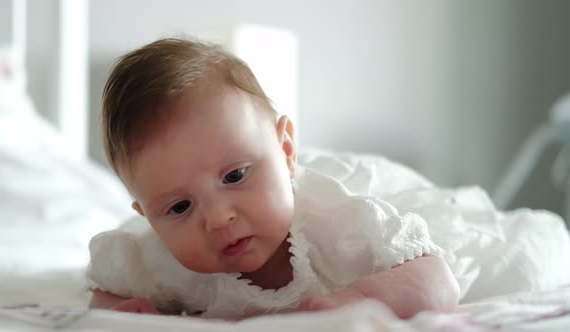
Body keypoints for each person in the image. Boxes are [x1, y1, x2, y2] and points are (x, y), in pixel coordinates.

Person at [86, 38, 460, 320]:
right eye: (179, 206)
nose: (218, 219)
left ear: (284, 151)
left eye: (234, 176)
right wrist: (123, 311)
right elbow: (104, 294)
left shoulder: (340, 225)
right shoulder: (160, 262)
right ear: (148, 217)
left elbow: (439, 281)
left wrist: (355, 301)